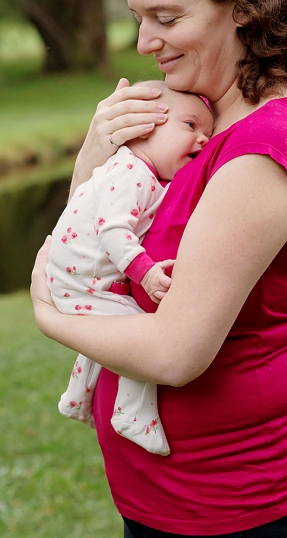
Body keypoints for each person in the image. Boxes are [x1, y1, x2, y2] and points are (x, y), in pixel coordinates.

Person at [31, 0, 287, 537]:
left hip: (244, 513)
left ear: (242, 7)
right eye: (137, 17)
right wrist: (95, 155)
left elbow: (175, 353)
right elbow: (88, 251)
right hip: (166, 506)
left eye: (166, 19)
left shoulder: (265, 147)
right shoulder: (192, 119)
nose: (145, 41)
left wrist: (47, 312)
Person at [47, 81, 213, 455]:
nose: (203, 139)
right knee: (138, 334)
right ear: (145, 126)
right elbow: (113, 231)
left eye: (208, 132)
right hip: (81, 281)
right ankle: (132, 414)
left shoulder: (145, 174)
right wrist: (147, 273)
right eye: (190, 125)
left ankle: (76, 396)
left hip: (78, 278)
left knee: (106, 328)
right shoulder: (130, 172)